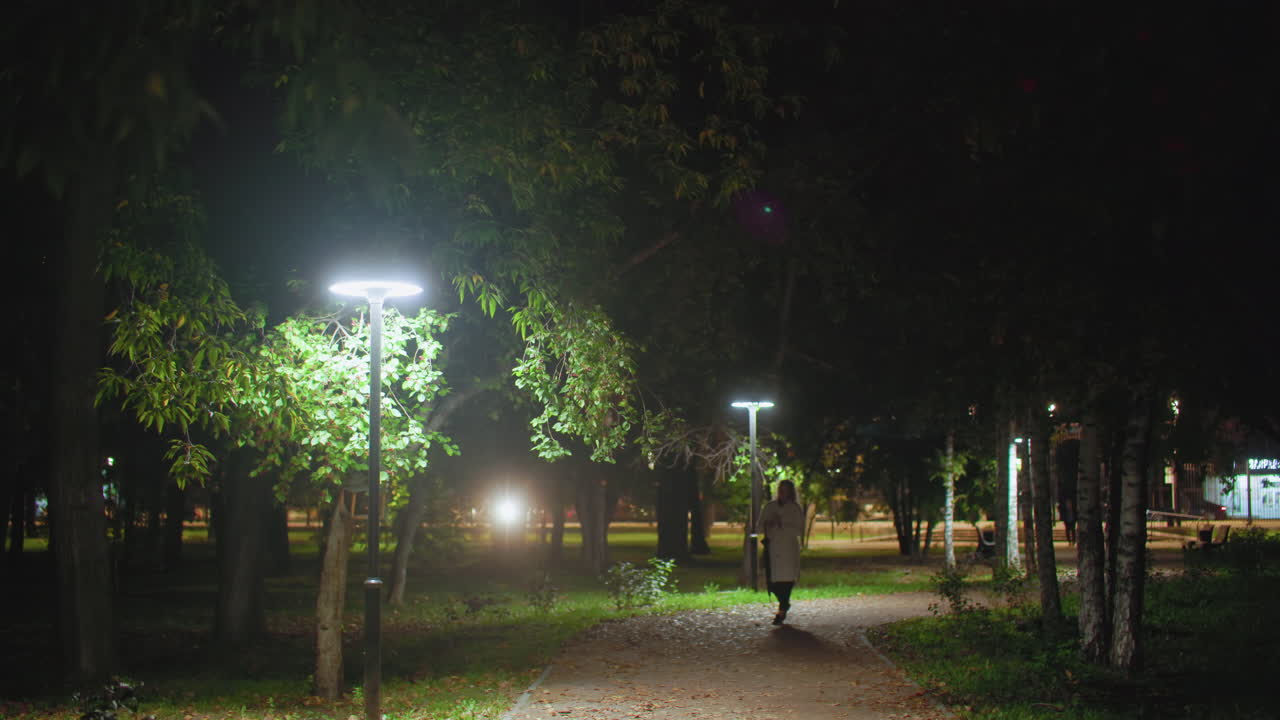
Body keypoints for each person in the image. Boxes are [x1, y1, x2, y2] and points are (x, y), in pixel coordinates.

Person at [757, 479, 805, 625]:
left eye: (785, 490)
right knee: (774, 582)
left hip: (788, 550)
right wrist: (769, 523)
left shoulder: (795, 509)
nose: (782, 492)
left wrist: (783, 525)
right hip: (773, 549)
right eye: (780, 489)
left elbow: (799, 530)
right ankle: (784, 604)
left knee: (787, 580)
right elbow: (760, 527)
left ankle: (782, 609)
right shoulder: (770, 507)